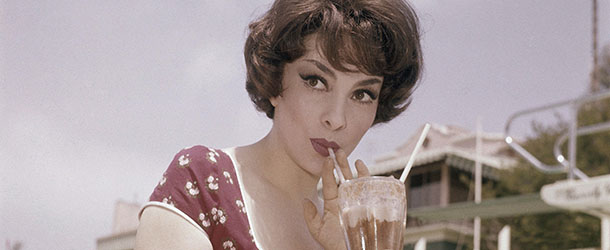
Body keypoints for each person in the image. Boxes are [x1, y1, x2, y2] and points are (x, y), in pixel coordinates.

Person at [135, 0, 422, 249]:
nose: (336, 119)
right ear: (274, 81)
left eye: (362, 94)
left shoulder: (349, 235)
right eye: (316, 81)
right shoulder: (202, 181)